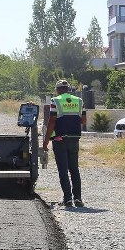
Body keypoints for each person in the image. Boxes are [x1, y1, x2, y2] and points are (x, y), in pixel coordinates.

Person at [43, 79, 87, 207]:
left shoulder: (55, 101)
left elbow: (52, 121)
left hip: (60, 139)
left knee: (63, 169)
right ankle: (78, 199)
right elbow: (83, 121)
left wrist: (46, 141)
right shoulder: (79, 101)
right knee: (74, 169)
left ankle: (67, 199)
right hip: (74, 138)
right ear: (68, 89)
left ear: (57, 90)